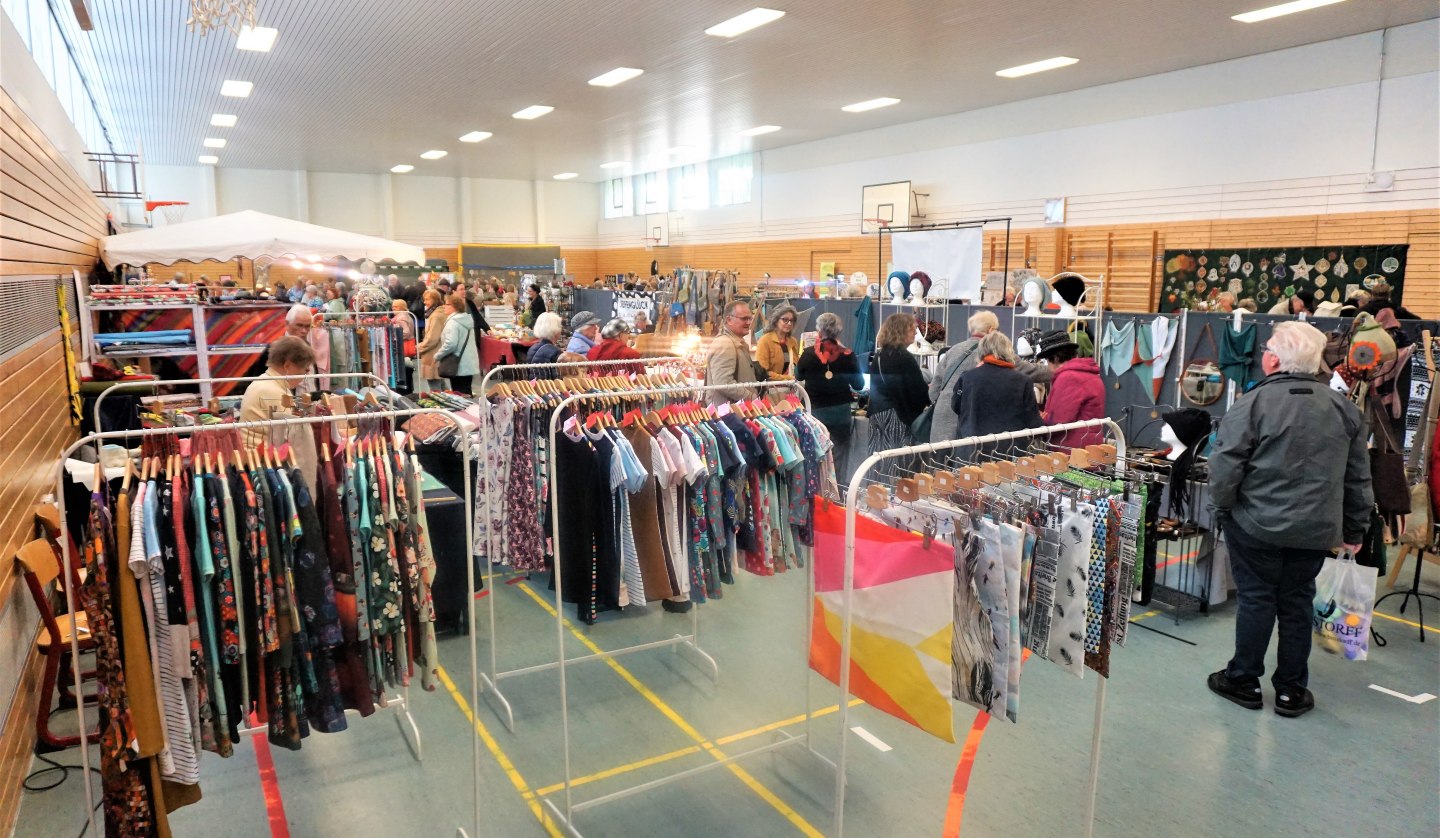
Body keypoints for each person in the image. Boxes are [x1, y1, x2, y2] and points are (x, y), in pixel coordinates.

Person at [1206, 320, 1373, 718]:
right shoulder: (1343, 409)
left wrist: (1222, 510)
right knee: (1297, 603)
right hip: (1316, 530)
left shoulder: (1251, 404)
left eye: (1267, 347)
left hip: (1254, 524)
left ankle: (1243, 679)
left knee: (1256, 600)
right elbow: (1357, 477)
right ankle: (1290, 691)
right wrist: (1354, 528)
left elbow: (1226, 468)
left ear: (1274, 359)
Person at [240, 335, 319, 485]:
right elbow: (288, 439)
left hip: (258, 460)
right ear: (288, 366)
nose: (305, 375)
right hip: (262, 465)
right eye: (304, 369)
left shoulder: (266, 382)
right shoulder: (273, 391)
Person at [950, 331, 1042, 458]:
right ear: (1008, 351)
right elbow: (1033, 422)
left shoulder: (967, 377)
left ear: (981, 351)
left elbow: (955, 406)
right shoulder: (1022, 381)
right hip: (1009, 453)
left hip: (971, 451)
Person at [795, 312, 864, 475]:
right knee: (838, 456)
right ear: (839, 331)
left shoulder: (808, 353)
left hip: (815, 413)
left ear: (819, 331)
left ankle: (816, 493)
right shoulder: (848, 354)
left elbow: (798, 376)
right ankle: (835, 493)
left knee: (814, 454)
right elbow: (859, 385)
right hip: (840, 413)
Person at [868, 312, 930, 477]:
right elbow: (918, 392)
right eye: (912, 330)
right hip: (897, 417)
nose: (916, 333)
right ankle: (895, 499)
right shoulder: (904, 358)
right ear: (901, 331)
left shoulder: (879, 356)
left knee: (878, 460)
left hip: (877, 414)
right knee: (897, 464)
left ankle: (875, 495)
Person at [1035, 330, 1105, 450]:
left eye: (1047, 360)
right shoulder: (1088, 373)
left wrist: (1037, 417)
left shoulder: (1069, 377)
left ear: (1055, 358)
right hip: (1088, 450)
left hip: (1072, 453)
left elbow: (1057, 422)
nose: (1047, 366)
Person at [704, 300, 758, 404]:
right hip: (729, 413)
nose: (748, 322)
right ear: (729, 320)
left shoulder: (735, 342)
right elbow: (723, 383)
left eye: (750, 318)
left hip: (736, 410)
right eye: (744, 319)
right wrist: (751, 397)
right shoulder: (725, 344)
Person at [434, 291, 480, 393]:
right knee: (466, 391)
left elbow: (450, 344)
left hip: (458, 364)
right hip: (468, 363)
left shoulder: (453, 323)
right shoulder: (466, 320)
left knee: (459, 393)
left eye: (446, 304)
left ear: (454, 306)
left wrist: (437, 356)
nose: (444, 307)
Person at [416, 289, 452, 390]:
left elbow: (432, 338)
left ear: (435, 300)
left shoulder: (435, 316)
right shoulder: (441, 312)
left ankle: (441, 406)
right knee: (442, 385)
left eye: (427, 299)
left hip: (433, 355)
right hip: (439, 353)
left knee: (435, 388)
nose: (425, 302)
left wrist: (420, 347)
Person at [755, 305, 800, 380]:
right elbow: (763, 372)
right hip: (772, 388)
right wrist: (787, 378)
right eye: (785, 319)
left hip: (792, 387)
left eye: (791, 321)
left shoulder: (793, 341)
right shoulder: (765, 340)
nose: (789, 323)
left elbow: (796, 365)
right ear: (775, 320)